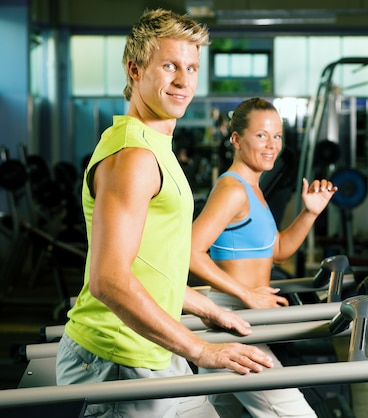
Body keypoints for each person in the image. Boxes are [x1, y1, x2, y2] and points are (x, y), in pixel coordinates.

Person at [55, 9, 273, 417]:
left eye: (191, 67)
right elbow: (109, 280)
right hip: (117, 356)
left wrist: (212, 310)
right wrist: (201, 349)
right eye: (169, 65)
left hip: (154, 345)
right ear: (134, 70)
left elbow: (152, 271)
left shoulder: (154, 146)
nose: (183, 80)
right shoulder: (134, 156)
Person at [189, 97, 338, 417]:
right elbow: (189, 251)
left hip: (247, 319)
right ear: (236, 140)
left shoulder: (254, 189)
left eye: (277, 136)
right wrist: (247, 295)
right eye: (261, 135)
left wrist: (309, 213)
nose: (272, 145)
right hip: (232, 323)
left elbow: (279, 251)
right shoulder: (233, 190)